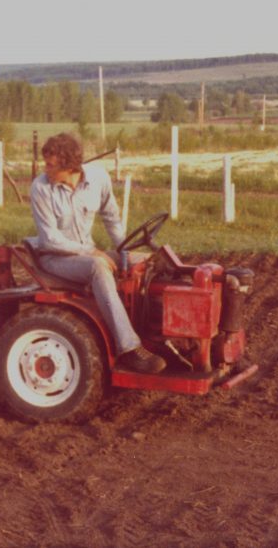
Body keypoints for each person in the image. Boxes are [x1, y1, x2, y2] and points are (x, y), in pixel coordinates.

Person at [27, 132, 167, 374]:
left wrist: (124, 253)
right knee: (98, 267)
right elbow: (50, 240)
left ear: (69, 165)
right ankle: (129, 349)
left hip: (86, 253)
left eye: (50, 165)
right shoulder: (40, 188)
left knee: (149, 262)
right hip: (54, 259)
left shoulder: (98, 178)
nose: (45, 169)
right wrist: (92, 252)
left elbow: (111, 218)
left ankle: (158, 336)